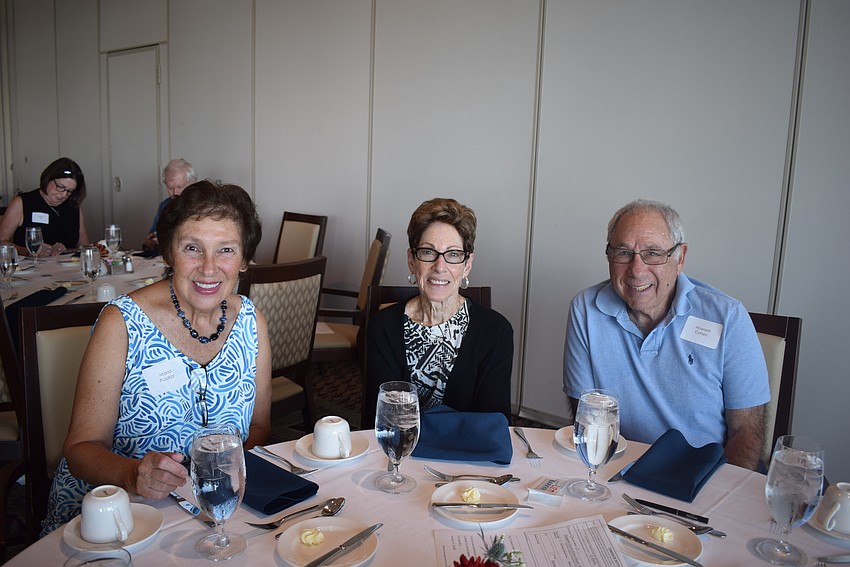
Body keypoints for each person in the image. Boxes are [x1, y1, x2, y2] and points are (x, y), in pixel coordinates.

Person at [42, 180, 272, 534]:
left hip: (214, 509)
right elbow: (80, 448)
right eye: (193, 248)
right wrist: (133, 475)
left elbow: (258, 427)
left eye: (226, 250)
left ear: (243, 260)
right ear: (168, 253)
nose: (209, 268)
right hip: (116, 517)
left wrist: (227, 479)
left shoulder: (251, 321)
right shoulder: (121, 323)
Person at [563, 199, 769, 470]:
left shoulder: (727, 317)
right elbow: (586, 416)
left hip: (702, 475)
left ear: (679, 258)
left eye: (653, 253)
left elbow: (746, 431)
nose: (637, 270)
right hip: (619, 468)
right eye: (623, 252)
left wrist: (718, 496)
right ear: (609, 256)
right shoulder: (586, 310)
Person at [364, 197, 514, 426]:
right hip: (399, 455)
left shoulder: (496, 332)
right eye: (427, 252)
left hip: (468, 458)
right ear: (411, 261)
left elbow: (493, 424)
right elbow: (382, 421)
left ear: (468, 264)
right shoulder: (382, 328)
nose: (440, 267)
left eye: (453, 254)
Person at [0, 157, 93, 256]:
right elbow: (1, 242)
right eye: (61, 187)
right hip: (30, 267)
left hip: (66, 268)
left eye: (70, 191)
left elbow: (84, 247)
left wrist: (66, 251)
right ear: (48, 178)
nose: (63, 195)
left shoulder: (73, 206)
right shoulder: (22, 202)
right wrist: (29, 251)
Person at [141, 158, 197, 252]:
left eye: (180, 187)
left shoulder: (203, 205)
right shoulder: (164, 206)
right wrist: (151, 241)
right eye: (170, 188)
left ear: (193, 183)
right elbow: (154, 234)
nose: (175, 192)